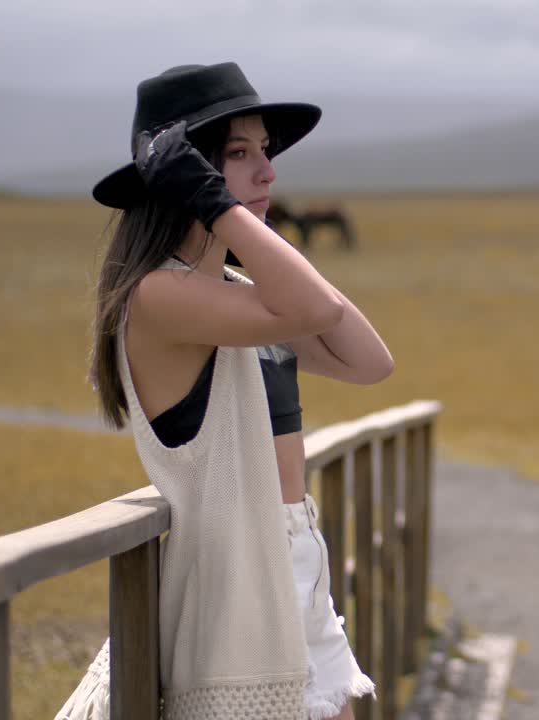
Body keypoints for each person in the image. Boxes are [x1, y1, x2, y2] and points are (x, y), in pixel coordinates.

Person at [77, 63, 393, 720]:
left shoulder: (241, 295)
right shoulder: (157, 296)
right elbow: (317, 309)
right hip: (243, 583)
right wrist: (220, 209)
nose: (269, 172)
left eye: (266, 152)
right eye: (240, 154)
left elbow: (370, 360)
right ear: (184, 178)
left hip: (295, 561)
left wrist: (235, 234)